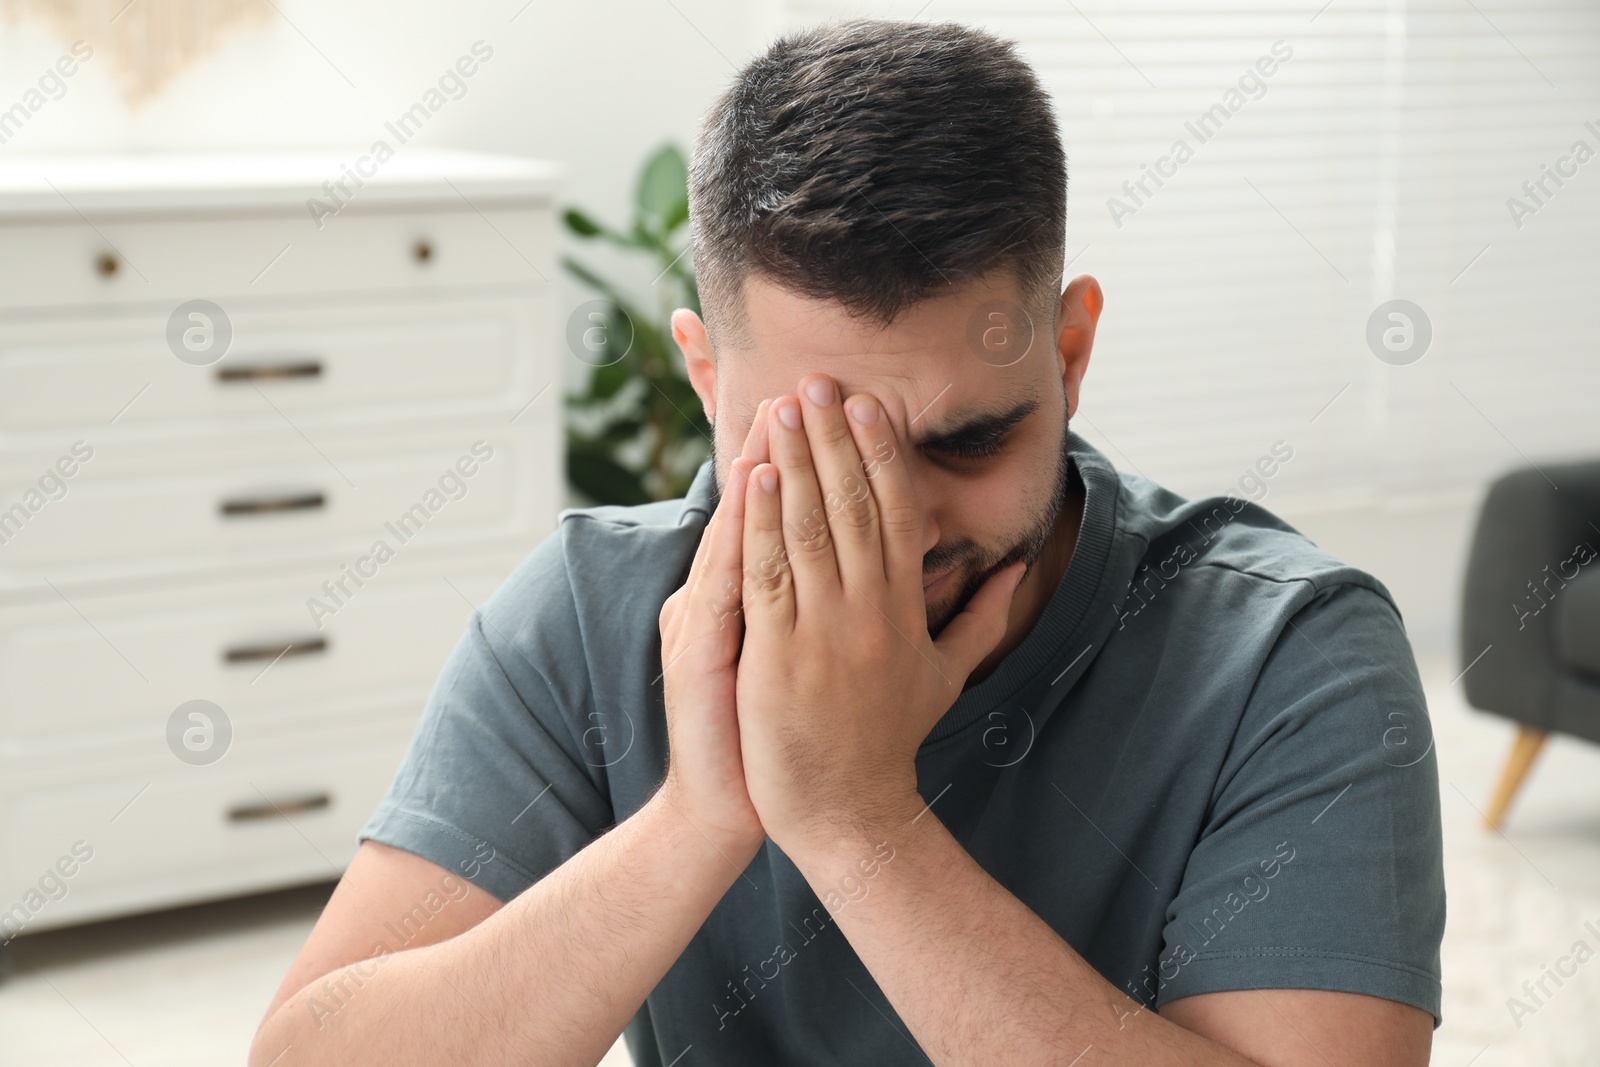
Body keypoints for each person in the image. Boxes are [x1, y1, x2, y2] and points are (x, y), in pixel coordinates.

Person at [251, 18, 1444, 1067]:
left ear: (1068, 355)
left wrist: (854, 817)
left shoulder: (1288, 655)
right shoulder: (588, 614)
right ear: (706, 378)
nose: (897, 525)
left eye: (966, 442)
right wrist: (699, 815)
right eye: (817, 451)